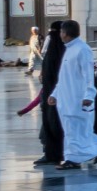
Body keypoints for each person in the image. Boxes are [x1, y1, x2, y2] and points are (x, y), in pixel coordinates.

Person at [51, 20, 97, 169]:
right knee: (71, 131)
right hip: (66, 99)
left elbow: (89, 75)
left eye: (62, 32)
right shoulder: (69, 49)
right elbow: (64, 77)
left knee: (77, 132)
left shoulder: (82, 49)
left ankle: (75, 159)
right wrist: (55, 94)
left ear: (66, 33)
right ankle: (72, 158)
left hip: (77, 100)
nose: (60, 35)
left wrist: (89, 96)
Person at [23, 19, 66, 165]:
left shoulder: (55, 52)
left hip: (52, 97)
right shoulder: (64, 51)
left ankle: (53, 154)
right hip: (57, 97)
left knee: (52, 126)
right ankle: (57, 152)